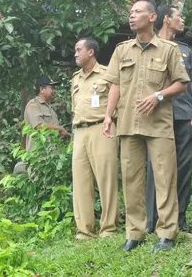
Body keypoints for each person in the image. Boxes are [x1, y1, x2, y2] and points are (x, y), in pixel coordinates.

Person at [103, 0, 190, 252]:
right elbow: (115, 85)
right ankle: (135, 233)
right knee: (131, 180)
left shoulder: (169, 49)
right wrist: (109, 115)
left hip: (159, 126)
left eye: (137, 11)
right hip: (129, 124)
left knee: (165, 178)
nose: (131, 15)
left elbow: (181, 83)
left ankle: (167, 233)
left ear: (152, 17)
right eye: (130, 11)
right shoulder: (122, 50)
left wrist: (159, 96)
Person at [145, 6, 192, 235]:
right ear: (166, 19)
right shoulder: (147, 46)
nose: (183, 20)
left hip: (185, 116)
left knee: (184, 168)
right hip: (157, 117)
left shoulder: (187, 50)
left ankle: (179, 219)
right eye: (178, 16)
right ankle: (152, 221)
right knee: (155, 170)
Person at [71, 37, 119, 239]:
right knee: (81, 183)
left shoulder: (107, 74)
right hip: (80, 132)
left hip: (102, 128)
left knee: (106, 180)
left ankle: (108, 229)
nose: (75, 54)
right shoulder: (75, 78)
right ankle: (85, 230)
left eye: (79, 49)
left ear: (91, 52)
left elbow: (118, 100)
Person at [15, 75, 69, 174]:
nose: (54, 91)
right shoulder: (33, 105)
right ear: (42, 89)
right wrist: (60, 128)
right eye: (51, 88)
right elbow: (39, 125)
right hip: (38, 157)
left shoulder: (50, 108)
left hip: (52, 156)